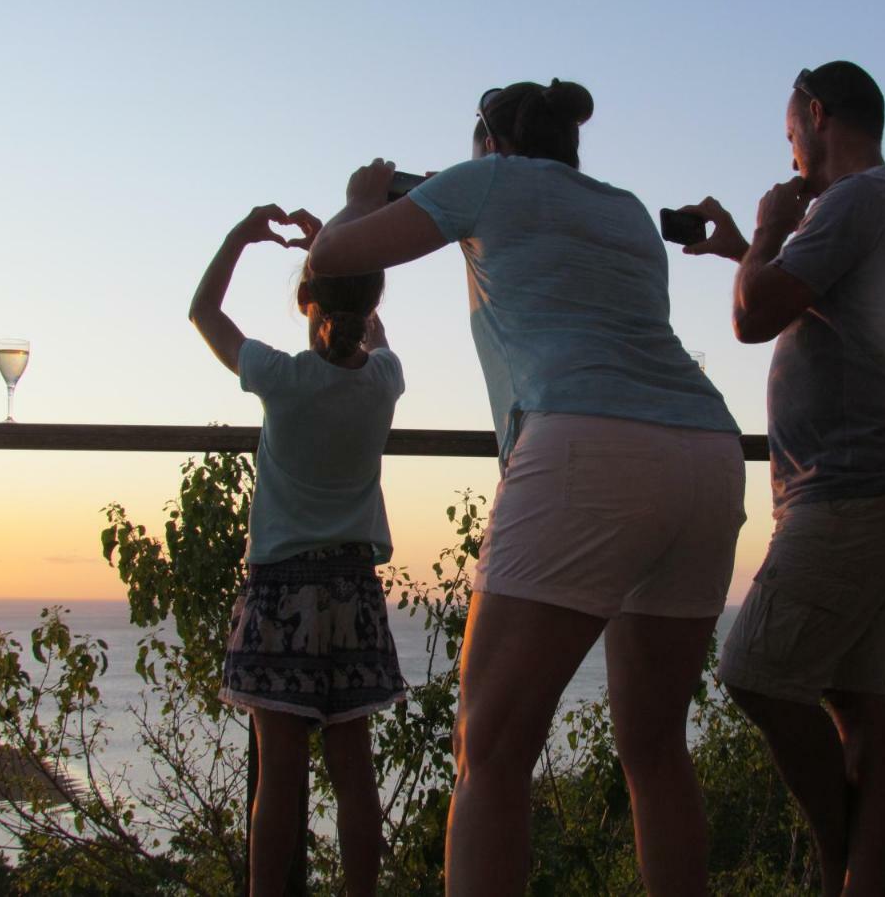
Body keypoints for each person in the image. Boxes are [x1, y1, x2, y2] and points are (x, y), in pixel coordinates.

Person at [309, 80, 745, 896]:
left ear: (489, 144)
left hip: (586, 446)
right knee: (654, 746)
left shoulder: (486, 181)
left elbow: (331, 262)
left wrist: (359, 199)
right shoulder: (624, 210)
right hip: (707, 454)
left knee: (490, 750)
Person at [679, 61, 885, 897]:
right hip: (859, 484)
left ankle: (854, 870)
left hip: (853, 489)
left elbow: (756, 315)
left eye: (790, 130)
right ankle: (868, 882)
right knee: (854, 697)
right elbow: (809, 299)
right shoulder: (870, 208)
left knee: (751, 669)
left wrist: (761, 231)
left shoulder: (862, 199)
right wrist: (738, 247)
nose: (788, 149)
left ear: (818, 114)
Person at [188, 204, 406, 897]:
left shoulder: (280, 378)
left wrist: (241, 238)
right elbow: (372, 334)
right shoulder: (384, 381)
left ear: (308, 304)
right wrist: (334, 249)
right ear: (370, 301)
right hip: (354, 593)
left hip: (282, 593)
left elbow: (203, 312)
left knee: (279, 781)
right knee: (355, 775)